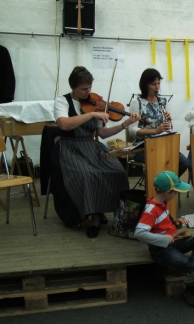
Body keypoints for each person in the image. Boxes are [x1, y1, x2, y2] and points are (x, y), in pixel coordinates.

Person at [52, 66, 141, 238]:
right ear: (73, 87)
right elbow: (63, 124)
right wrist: (92, 115)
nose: (88, 92)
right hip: (70, 148)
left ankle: (118, 215)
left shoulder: (95, 104)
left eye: (90, 88)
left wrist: (124, 124)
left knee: (117, 171)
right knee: (88, 174)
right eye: (83, 89)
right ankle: (94, 218)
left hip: (91, 147)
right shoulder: (62, 101)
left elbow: (102, 133)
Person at [134, 171, 194, 307]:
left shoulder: (162, 204)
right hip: (161, 249)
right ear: (167, 193)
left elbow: (163, 225)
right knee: (191, 265)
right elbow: (139, 233)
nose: (176, 194)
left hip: (175, 241)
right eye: (176, 192)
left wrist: (176, 222)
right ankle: (193, 292)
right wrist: (164, 239)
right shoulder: (151, 210)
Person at [128, 68, 189, 177]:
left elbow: (168, 128)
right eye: (153, 84)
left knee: (184, 162)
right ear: (145, 85)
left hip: (161, 144)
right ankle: (158, 188)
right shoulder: (136, 102)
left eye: (158, 83)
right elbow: (132, 130)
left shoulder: (163, 101)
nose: (157, 87)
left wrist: (169, 122)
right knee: (160, 162)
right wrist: (156, 130)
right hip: (142, 146)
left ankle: (167, 186)